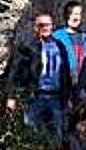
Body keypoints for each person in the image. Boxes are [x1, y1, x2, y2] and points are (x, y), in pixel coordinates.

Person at [6, 11, 75, 139]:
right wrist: (11, 96)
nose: (45, 28)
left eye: (48, 25)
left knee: (57, 134)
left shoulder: (60, 46)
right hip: (34, 96)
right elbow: (15, 72)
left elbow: (65, 72)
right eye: (41, 25)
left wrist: (69, 96)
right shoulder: (27, 47)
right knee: (30, 133)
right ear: (35, 27)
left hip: (56, 96)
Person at [52, 0, 86, 76]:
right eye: (72, 14)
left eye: (78, 14)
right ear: (66, 15)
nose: (75, 17)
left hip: (84, 78)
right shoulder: (56, 36)